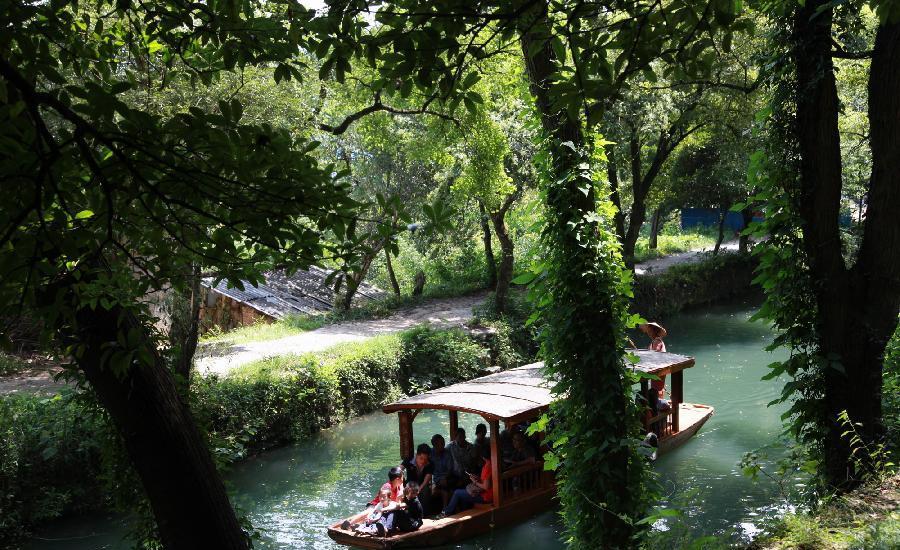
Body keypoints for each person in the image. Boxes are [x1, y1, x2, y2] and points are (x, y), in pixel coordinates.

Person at [439, 444, 493, 517]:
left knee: (457, 492)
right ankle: (464, 511)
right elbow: (487, 480)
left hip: (485, 497)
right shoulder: (490, 464)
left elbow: (486, 487)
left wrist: (475, 482)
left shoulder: (487, 467)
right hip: (487, 494)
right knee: (464, 492)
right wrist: (478, 478)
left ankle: (446, 512)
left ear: (482, 456)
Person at [639, 322, 670, 409]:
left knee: (656, 389)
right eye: (648, 331)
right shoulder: (657, 341)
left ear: (655, 331)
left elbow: (655, 353)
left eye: (650, 331)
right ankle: (658, 405)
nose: (648, 333)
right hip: (659, 368)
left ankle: (657, 406)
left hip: (658, 368)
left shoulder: (657, 341)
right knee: (658, 388)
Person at [403, 444, 435, 514]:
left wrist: (418, 490)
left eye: (425, 459)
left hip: (422, 485)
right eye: (421, 458)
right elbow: (400, 469)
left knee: (425, 490)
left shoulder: (430, 464)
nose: (423, 461)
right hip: (410, 483)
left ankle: (424, 513)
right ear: (416, 455)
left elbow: (426, 481)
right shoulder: (409, 459)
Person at [430, 434, 454, 510]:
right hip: (433, 478)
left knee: (446, 484)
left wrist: (444, 477)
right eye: (441, 443)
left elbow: (450, 469)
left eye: (443, 443)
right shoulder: (430, 453)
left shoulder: (447, 453)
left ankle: (445, 509)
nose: (443, 445)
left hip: (445, 477)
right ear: (435, 445)